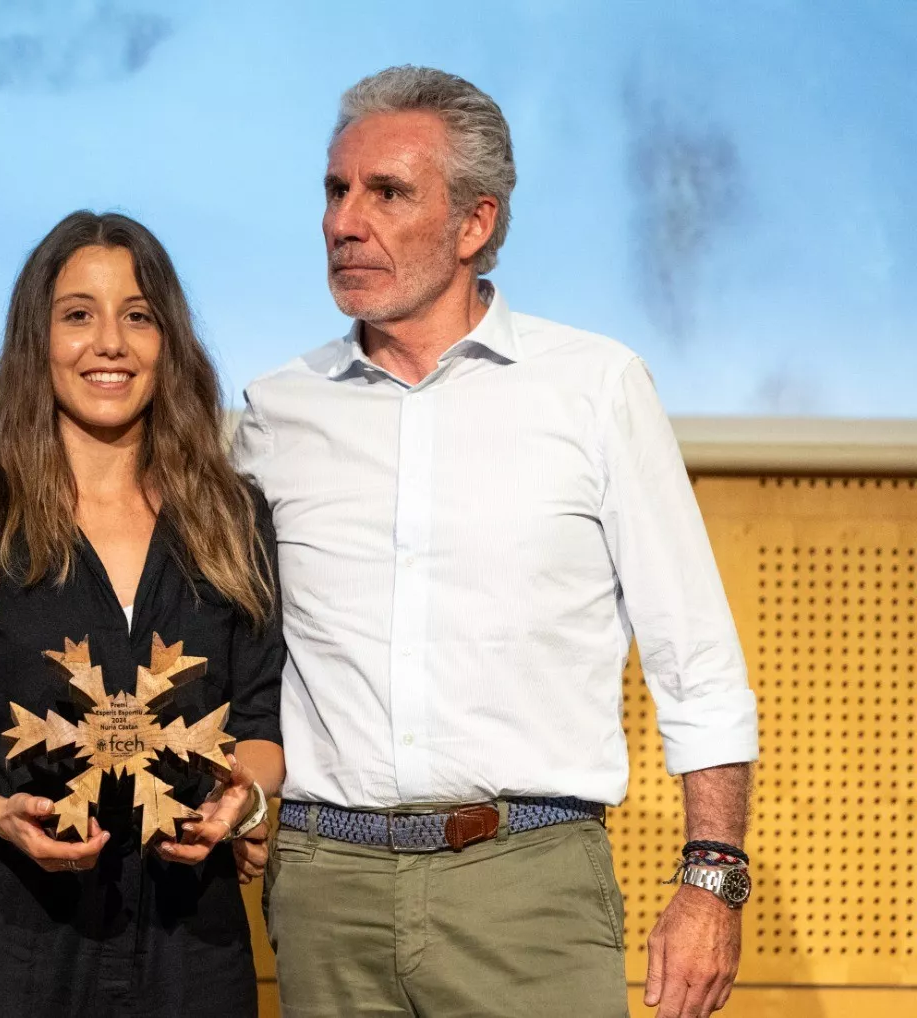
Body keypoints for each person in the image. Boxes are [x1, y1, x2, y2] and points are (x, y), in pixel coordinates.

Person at [233, 67, 759, 1018]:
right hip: (324, 892)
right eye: (335, 189)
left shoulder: (594, 388)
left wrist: (710, 879)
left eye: (387, 192)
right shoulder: (275, 411)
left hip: (527, 886)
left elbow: (697, 660)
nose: (344, 221)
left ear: (475, 224)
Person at [0, 211, 285, 1016]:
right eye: (78, 315)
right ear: (38, 340)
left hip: (189, 947)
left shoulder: (231, 520)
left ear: (169, 341)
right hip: (3, 943)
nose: (110, 342)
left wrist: (246, 802)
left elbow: (262, 725)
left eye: (137, 316)